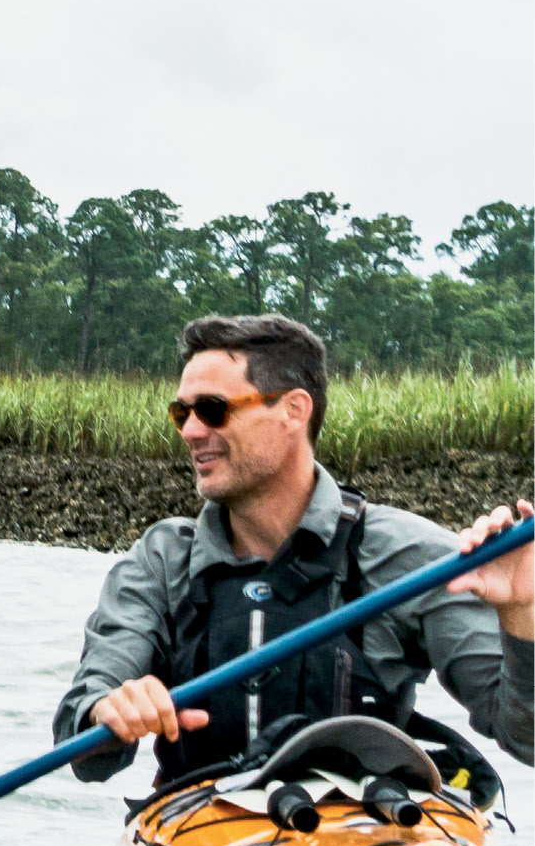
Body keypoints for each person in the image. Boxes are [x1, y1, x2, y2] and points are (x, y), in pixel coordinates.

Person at [56, 313, 531, 787]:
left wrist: (522, 615)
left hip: (370, 833)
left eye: (213, 409)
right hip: (203, 835)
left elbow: (525, 738)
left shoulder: (413, 555)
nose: (191, 431)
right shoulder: (161, 561)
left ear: (294, 410)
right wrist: (106, 711)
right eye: (182, 413)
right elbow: (84, 748)